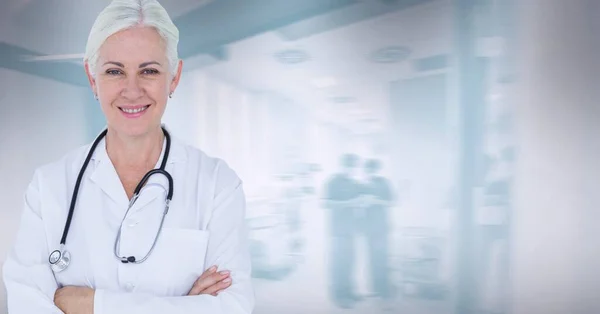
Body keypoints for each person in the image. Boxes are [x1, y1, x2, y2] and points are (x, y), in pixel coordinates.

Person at [2, 1, 254, 313]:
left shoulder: (218, 185)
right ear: (93, 79)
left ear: (173, 78)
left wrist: (91, 303)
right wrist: (181, 306)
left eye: (149, 70)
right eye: (114, 71)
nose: (131, 90)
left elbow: (233, 306)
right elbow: (25, 303)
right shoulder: (49, 186)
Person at [322, 153, 363, 309]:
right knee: (339, 263)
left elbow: (359, 201)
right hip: (337, 230)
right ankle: (339, 295)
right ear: (344, 165)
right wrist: (347, 203)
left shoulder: (354, 183)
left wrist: (361, 203)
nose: (353, 169)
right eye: (351, 166)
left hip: (351, 229)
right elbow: (325, 203)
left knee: (351, 262)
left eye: (355, 166)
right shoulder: (333, 182)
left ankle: (349, 291)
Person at [361, 159, 394, 302]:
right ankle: (374, 288)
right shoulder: (363, 185)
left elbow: (392, 202)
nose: (370, 172)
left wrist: (377, 201)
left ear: (378, 169)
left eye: (373, 169)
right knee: (371, 258)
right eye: (368, 170)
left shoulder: (384, 183)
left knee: (382, 257)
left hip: (381, 226)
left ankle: (384, 289)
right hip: (368, 227)